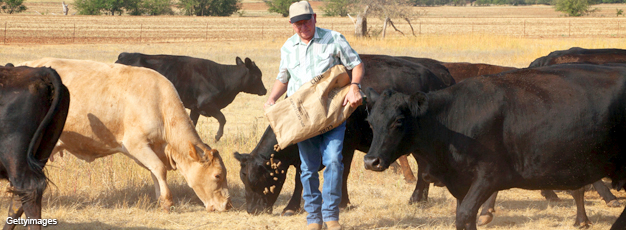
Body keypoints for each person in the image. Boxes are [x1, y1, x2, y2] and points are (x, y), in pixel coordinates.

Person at [263, 1, 364, 230]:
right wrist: (271, 99)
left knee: (333, 162)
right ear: (291, 25)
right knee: (307, 168)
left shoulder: (334, 39)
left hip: (332, 114)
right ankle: (313, 219)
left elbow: (356, 65)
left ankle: (331, 217)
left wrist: (355, 86)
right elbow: (283, 77)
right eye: (297, 23)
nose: (302, 26)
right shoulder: (288, 47)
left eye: (306, 21)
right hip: (303, 119)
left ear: (314, 18)